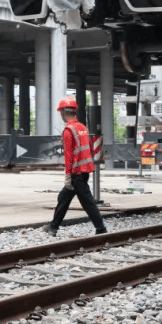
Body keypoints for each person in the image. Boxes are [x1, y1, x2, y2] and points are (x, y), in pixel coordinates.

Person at [41, 97, 108, 236]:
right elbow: (89, 148)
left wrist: (68, 176)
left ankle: (101, 229)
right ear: (74, 112)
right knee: (63, 198)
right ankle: (53, 227)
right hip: (84, 170)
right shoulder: (82, 128)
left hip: (76, 173)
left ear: (62, 113)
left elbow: (69, 156)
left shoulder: (68, 130)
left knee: (88, 202)